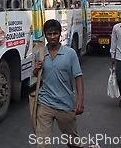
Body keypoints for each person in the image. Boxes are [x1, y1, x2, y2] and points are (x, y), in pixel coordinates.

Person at [33, 19, 84, 147]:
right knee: (42, 145)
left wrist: (80, 100)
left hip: (65, 105)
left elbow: (78, 77)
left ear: (60, 34)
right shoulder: (40, 54)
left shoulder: (70, 54)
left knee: (73, 143)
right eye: (49, 34)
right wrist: (36, 69)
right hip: (45, 104)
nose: (52, 37)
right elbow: (37, 76)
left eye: (55, 33)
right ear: (45, 35)